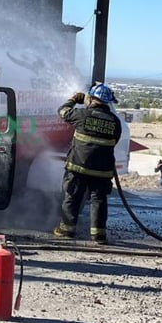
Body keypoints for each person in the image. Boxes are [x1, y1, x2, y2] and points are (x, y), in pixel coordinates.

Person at [53, 83, 123, 245]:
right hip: (102, 171)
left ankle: (67, 230)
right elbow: (114, 141)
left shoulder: (82, 115)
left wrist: (73, 99)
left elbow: (62, 112)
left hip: (78, 167)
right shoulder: (115, 122)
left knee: (72, 197)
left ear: (91, 98)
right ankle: (99, 235)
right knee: (98, 200)